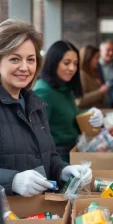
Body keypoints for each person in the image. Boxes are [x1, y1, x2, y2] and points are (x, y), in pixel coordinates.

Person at [0, 19, 92, 197]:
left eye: (31, 59)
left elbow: (49, 156)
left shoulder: (35, 104)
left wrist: (63, 170)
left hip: (37, 213)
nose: (24, 67)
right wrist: (12, 181)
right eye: (14, 59)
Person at [34, 40, 103, 162]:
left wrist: (90, 114)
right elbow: (38, 137)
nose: (72, 68)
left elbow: (69, 117)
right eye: (66, 63)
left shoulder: (65, 88)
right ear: (53, 63)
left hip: (70, 153)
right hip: (56, 159)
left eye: (75, 63)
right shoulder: (43, 92)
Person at [77, 45, 110, 110]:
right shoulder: (82, 75)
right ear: (88, 58)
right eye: (96, 58)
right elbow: (79, 100)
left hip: (97, 113)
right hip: (87, 115)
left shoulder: (95, 73)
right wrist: (100, 92)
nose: (98, 61)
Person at [98, 39, 113, 108]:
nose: (111, 53)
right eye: (108, 50)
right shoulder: (93, 67)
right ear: (100, 51)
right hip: (99, 106)